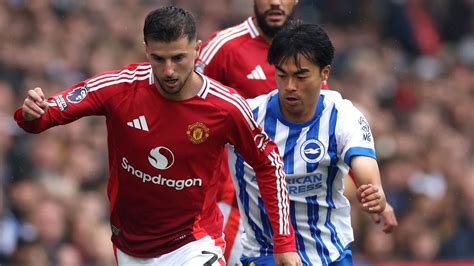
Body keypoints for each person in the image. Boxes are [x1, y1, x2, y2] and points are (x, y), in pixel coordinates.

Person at [13, 6, 302, 266]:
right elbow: (47, 114)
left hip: (193, 242)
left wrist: (284, 242)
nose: (169, 71)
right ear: (146, 50)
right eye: (158, 59)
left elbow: (269, 163)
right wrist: (32, 113)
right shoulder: (120, 87)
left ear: (197, 50)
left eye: (178, 58)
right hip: (130, 245)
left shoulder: (225, 106)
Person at [197, 0, 397, 264]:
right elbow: (193, 119)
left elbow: (362, 162)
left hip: (330, 252)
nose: (290, 86)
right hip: (249, 227)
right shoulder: (244, 108)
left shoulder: (342, 113)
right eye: (282, 75)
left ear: (323, 74)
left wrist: (374, 191)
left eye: (301, 76)